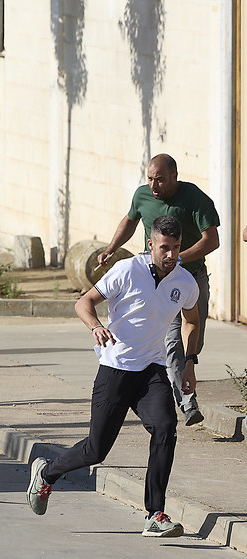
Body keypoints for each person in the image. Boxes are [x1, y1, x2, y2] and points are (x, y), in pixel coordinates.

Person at [27, 215, 200, 539]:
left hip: (151, 370)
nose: (171, 255)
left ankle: (155, 513)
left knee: (165, 428)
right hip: (116, 368)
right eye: (165, 247)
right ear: (151, 244)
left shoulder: (184, 282)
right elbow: (84, 302)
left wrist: (189, 363)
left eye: (176, 248)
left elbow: (191, 320)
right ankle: (47, 472)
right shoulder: (127, 270)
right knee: (97, 450)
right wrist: (96, 326)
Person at [96, 154, 219, 427]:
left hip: (190, 278)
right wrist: (111, 248)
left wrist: (177, 259)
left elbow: (212, 240)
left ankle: (184, 377)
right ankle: (186, 402)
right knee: (169, 341)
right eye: (150, 178)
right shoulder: (142, 196)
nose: (154, 185)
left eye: (160, 179)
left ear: (174, 176)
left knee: (188, 337)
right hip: (152, 279)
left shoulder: (195, 198)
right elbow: (129, 221)